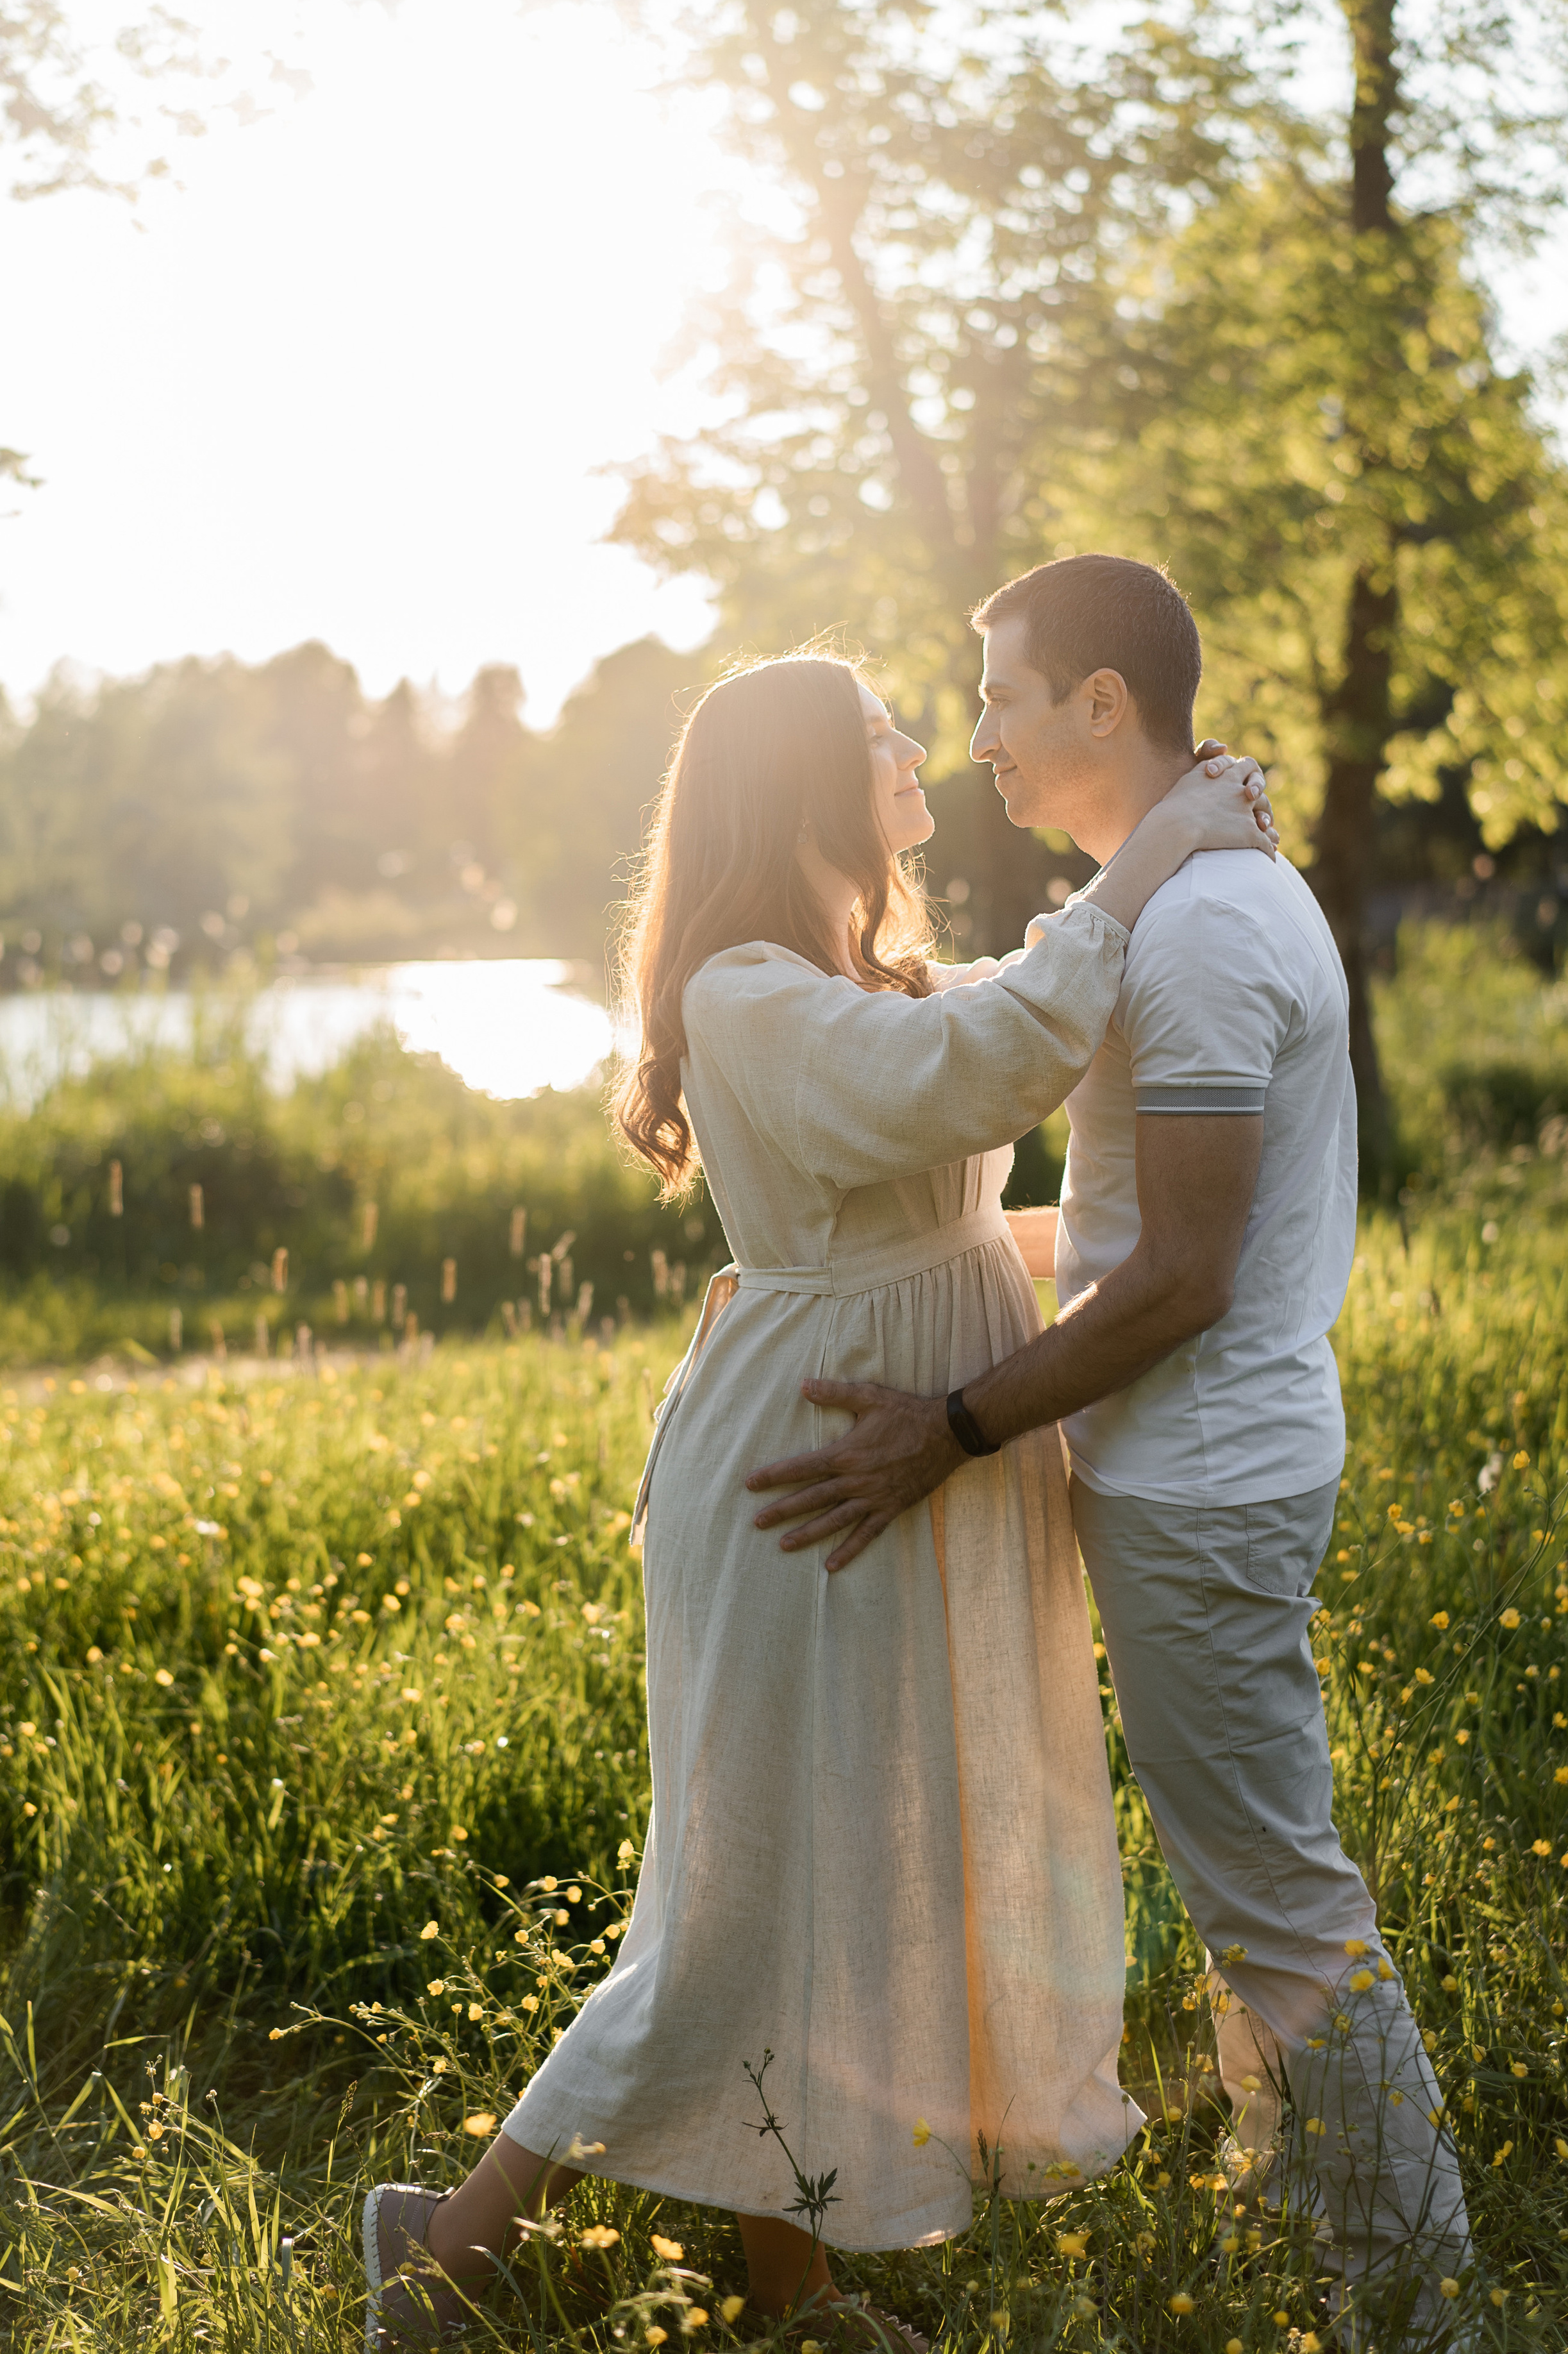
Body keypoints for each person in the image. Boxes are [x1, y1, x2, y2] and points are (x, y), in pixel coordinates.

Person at [362, 646, 1274, 2349]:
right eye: (877, 733)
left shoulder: (880, 970)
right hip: (815, 1462)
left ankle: (797, 2294)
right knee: (738, 1902)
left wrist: (1167, 873)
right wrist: (1148, 855)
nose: (919, 746)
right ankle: (446, 2249)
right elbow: (981, 1072)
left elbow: (1009, 1049)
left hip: (909, 1445)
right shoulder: (748, 989)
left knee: (848, 1867)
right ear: (796, 782)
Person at [747, 557, 1474, 2348]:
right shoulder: (1158, 902)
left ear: (1098, 704)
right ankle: (1314, 2216)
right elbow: (1117, 1218)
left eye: (1000, 692)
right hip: (1186, 1471)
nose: (976, 727)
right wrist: (882, 1284)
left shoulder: (1210, 930)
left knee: (1277, 1890)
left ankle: (1416, 2288)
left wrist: (954, 1427)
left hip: (1209, 1478)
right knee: (1250, 1885)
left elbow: (1190, 1275)